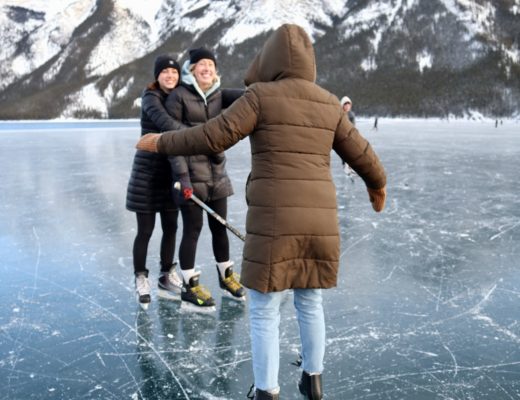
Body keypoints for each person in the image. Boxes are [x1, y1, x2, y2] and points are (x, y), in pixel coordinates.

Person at [136, 24, 387, 399]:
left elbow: (210, 136)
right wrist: (377, 183)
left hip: (274, 219)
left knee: (265, 307)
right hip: (319, 220)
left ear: (270, 59)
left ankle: (267, 391)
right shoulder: (329, 102)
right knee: (309, 299)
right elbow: (362, 153)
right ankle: (313, 381)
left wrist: (161, 141)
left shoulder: (260, 97)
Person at [164, 47, 246, 311]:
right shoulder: (178, 96)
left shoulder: (219, 95)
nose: (207, 69)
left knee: (219, 228)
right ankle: (190, 285)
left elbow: (251, 97)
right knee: (193, 230)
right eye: (202, 65)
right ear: (191, 69)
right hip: (189, 178)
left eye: (211, 65)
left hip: (217, 176)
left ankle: (226, 277)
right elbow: (172, 143)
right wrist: (183, 179)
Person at [126, 55, 187, 309]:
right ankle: (141, 278)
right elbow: (165, 124)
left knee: (171, 227)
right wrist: (198, 134)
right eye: (165, 72)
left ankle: (166, 274)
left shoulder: (178, 96)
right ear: (157, 76)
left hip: (170, 171)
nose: (170, 75)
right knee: (146, 230)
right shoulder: (150, 98)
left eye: (174, 71)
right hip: (147, 175)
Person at [339, 96, 357, 177]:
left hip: (350, 136)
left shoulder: (352, 115)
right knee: (344, 153)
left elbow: (353, 126)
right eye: (345, 104)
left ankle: (351, 168)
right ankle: (345, 167)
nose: (347, 106)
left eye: (348, 105)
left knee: (352, 152)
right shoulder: (340, 114)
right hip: (342, 137)